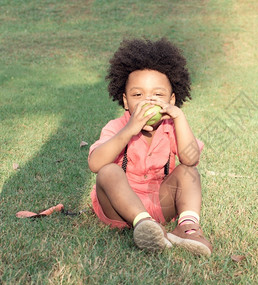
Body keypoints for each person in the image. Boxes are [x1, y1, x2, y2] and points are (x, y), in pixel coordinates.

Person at [88, 38, 212, 256]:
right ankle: (143, 224)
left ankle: (187, 227)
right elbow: (95, 164)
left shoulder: (172, 127)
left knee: (188, 171)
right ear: (126, 101)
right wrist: (129, 130)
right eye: (138, 95)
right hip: (120, 208)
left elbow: (190, 159)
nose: (148, 101)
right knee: (108, 171)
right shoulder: (116, 127)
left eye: (157, 94)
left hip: (160, 203)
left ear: (171, 100)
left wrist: (179, 118)